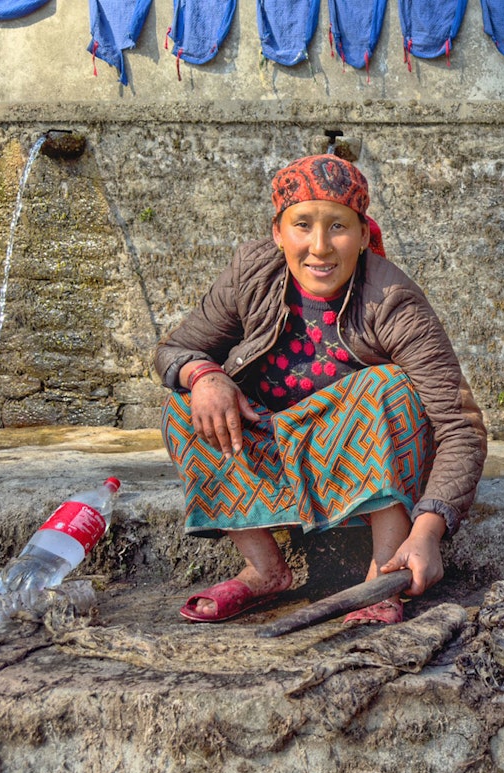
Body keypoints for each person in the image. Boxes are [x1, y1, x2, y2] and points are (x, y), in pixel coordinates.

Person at [154, 154, 487, 624]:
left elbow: (460, 427)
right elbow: (177, 349)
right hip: (278, 455)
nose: (319, 247)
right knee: (186, 399)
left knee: (388, 386)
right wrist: (204, 376)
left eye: (338, 227)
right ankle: (265, 570)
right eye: (302, 225)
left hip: (361, 465)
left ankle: (381, 573)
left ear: (363, 234)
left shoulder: (391, 299)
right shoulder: (252, 273)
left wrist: (429, 531)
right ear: (278, 232)